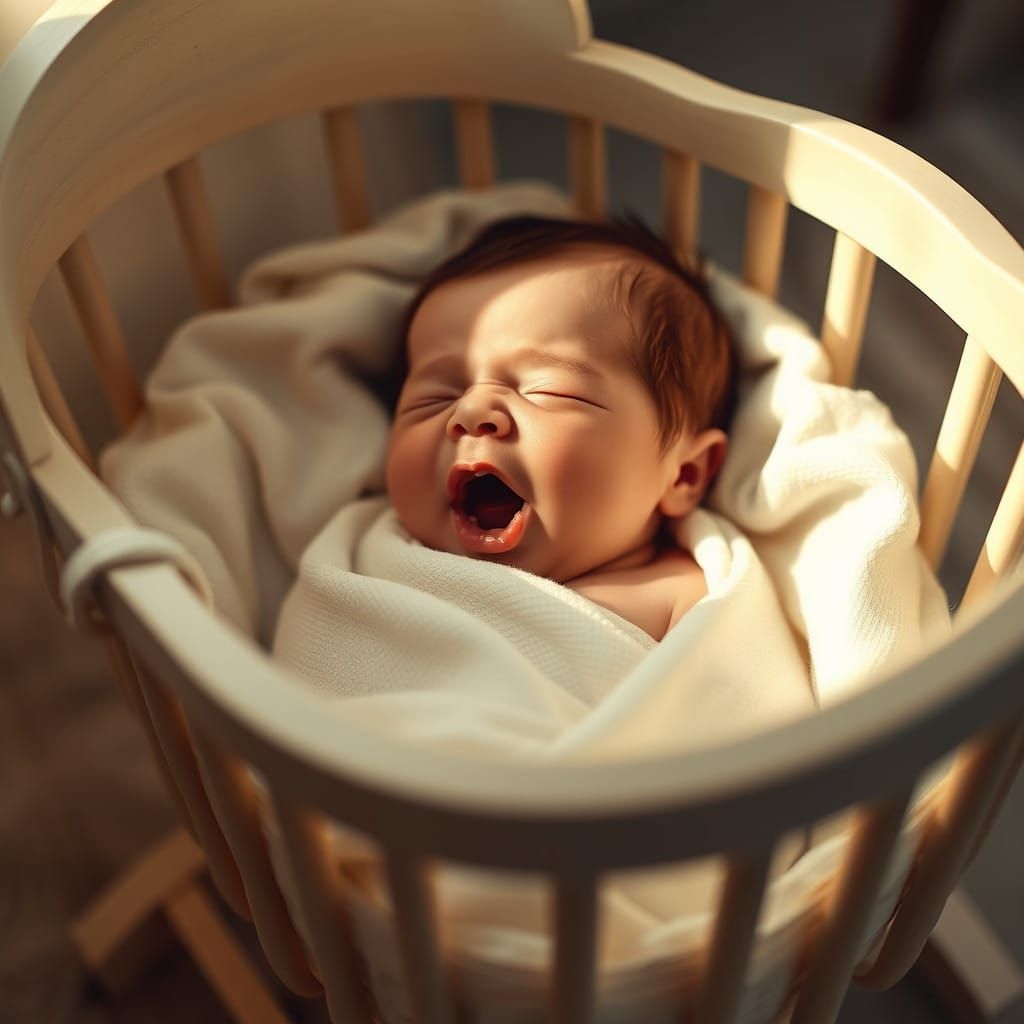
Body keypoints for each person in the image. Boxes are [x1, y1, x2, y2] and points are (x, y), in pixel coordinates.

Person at [386, 215, 737, 641]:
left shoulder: (684, 598)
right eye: (434, 397)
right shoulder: (370, 547)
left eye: (549, 390)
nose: (472, 409)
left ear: (684, 473)